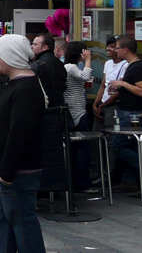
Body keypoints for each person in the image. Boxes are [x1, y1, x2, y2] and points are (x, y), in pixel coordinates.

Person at [0, 34, 46, 253]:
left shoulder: (26, 89)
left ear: (10, 55)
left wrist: (7, 172)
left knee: (22, 222)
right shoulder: (14, 84)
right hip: (3, 166)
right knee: (1, 219)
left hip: (15, 170)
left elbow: (20, 133)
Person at [91, 35, 127, 184]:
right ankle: (94, 173)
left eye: (113, 46)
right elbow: (103, 85)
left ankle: (108, 177)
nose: (109, 49)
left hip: (113, 106)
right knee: (95, 140)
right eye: (109, 46)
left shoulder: (125, 65)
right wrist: (96, 103)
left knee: (111, 143)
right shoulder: (107, 64)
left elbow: (118, 90)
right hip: (102, 105)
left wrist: (103, 105)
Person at [108, 35, 142, 186]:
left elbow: (140, 90)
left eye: (118, 48)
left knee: (119, 145)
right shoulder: (130, 65)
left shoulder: (137, 67)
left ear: (126, 49)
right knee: (132, 146)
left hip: (132, 113)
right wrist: (119, 87)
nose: (116, 50)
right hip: (127, 110)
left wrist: (123, 84)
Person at [62, 42, 93, 190]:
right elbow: (86, 77)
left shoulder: (70, 67)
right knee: (83, 148)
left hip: (75, 108)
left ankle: (75, 180)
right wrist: (88, 60)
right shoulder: (70, 67)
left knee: (75, 149)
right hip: (77, 111)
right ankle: (82, 182)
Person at [30, 33, 67, 107]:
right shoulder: (59, 63)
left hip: (43, 108)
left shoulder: (38, 65)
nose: (31, 47)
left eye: (35, 44)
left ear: (45, 47)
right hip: (58, 107)